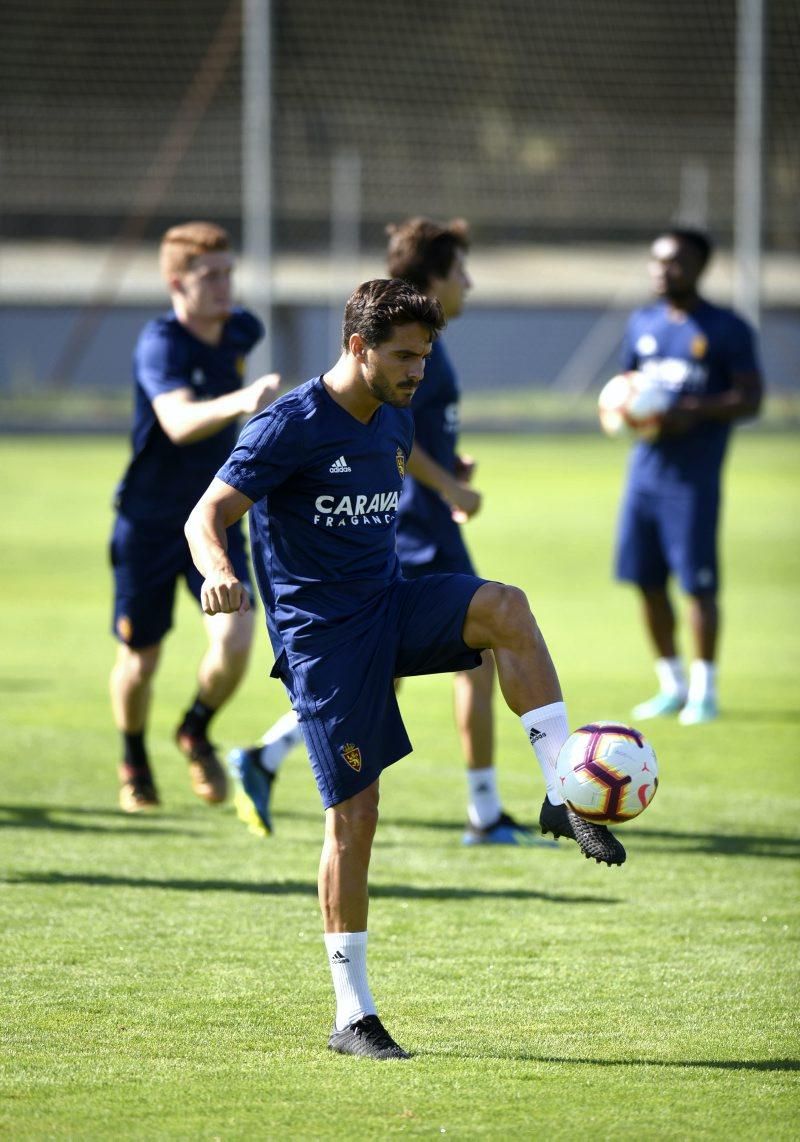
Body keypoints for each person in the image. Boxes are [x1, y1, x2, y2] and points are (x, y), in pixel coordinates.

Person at [185, 278, 626, 1061]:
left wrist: (452, 482)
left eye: (425, 354)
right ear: (358, 347)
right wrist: (219, 571)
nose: (418, 369)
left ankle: (565, 789)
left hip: (388, 606)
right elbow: (206, 514)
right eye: (403, 355)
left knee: (507, 609)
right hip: (324, 642)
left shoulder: (394, 416)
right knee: (356, 817)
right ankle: (352, 1016)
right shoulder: (288, 426)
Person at [228, 217, 530, 846]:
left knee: (389, 665)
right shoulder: (399, 358)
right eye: (461, 273)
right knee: (469, 656)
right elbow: (376, 434)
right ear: (433, 278)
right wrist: (449, 486)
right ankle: (485, 811)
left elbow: (404, 437)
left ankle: (265, 757)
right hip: (409, 529)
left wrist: (450, 466)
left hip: (398, 528)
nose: (468, 284)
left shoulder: (417, 350)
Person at [109, 220, 280, 812]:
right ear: (177, 283)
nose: (225, 285)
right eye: (210, 276)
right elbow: (178, 424)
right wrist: (243, 400)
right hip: (150, 522)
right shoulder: (161, 344)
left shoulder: (241, 330)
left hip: (215, 516)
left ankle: (196, 729)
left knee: (236, 641)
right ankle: (133, 757)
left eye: (229, 272)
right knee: (141, 657)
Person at [615, 227, 763, 725]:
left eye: (675, 262)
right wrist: (622, 411)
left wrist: (687, 409)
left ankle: (705, 689)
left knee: (698, 586)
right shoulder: (642, 322)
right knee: (645, 581)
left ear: (700, 267)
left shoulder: (726, 328)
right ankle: (671, 684)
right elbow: (627, 387)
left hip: (693, 480)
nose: (663, 270)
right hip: (644, 474)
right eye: (657, 261)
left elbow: (751, 398)